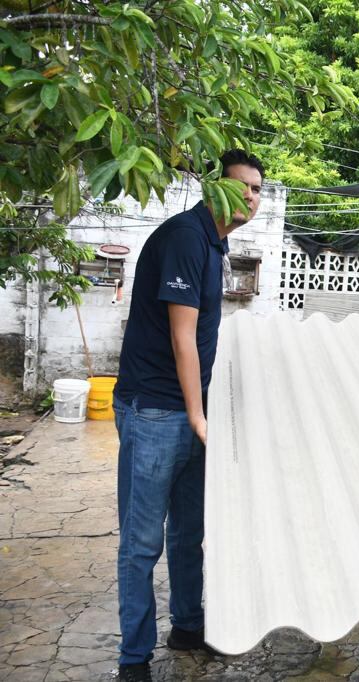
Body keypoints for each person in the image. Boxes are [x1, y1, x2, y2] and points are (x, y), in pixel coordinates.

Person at [112, 150, 264, 681]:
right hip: (154, 409)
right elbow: (183, 337)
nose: (250, 196)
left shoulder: (214, 243)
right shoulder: (184, 236)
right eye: (241, 186)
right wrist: (199, 418)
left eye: (257, 190)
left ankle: (188, 625)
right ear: (213, 188)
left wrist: (205, 411)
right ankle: (134, 658)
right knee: (141, 542)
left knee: (188, 532)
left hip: (189, 409)